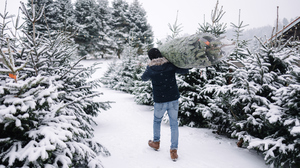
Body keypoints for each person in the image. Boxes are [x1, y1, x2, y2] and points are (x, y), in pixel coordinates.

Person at [141, 48, 189, 161]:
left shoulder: (150, 69)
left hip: (160, 101)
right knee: (174, 124)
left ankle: (156, 142)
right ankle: (173, 151)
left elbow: (143, 78)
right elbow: (184, 70)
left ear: (150, 58)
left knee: (157, 121)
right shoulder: (170, 65)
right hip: (173, 99)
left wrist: (149, 69)